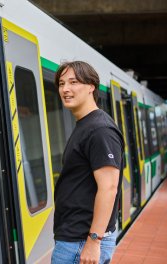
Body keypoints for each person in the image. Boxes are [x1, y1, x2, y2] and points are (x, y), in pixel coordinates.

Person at [51, 61, 123, 264]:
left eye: (73, 82)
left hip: (82, 240)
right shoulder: (86, 124)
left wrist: (94, 241)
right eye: (62, 83)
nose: (65, 89)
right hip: (76, 237)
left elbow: (109, 187)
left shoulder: (100, 130)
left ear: (91, 86)